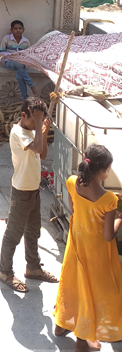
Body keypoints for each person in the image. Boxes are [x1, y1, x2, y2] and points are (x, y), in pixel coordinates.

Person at [54, 144, 122, 351]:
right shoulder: (109, 200)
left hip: (75, 246)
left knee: (72, 283)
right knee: (93, 291)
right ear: (103, 172)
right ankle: (82, 340)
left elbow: (74, 210)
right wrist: (119, 218)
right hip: (96, 255)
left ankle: (61, 325)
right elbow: (108, 235)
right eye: (108, 169)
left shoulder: (73, 182)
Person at [0, 96, 58, 292]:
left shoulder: (32, 131)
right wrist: (40, 125)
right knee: (13, 234)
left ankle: (33, 267)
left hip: (33, 190)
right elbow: (37, 147)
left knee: (33, 232)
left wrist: (43, 129)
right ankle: (4, 271)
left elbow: (42, 154)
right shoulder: (18, 132)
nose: (36, 124)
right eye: (34, 120)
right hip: (22, 192)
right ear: (24, 115)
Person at [0, 19, 39, 98]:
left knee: (19, 76)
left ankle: (25, 98)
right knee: (18, 64)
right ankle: (32, 85)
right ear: (11, 30)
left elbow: (28, 54)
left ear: (23, 30)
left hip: (21, 63)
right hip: (8, 62)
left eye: (20, 28)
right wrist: (12, 56)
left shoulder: (25, 41)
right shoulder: (6, 39)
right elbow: (1, 51)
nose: (18, 30)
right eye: (15, 28)